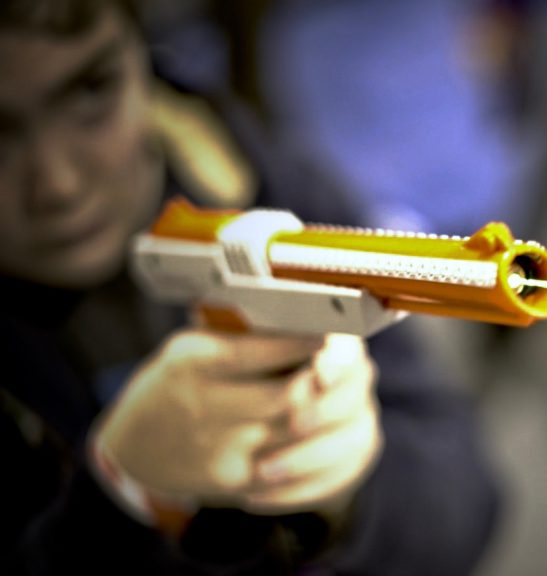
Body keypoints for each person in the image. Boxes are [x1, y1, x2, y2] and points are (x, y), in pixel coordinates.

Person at [0, 0, 500, 573]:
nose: (57, 184)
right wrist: (121, 496)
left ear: (143, 59)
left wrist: (350, 492)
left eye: (90, 90)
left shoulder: (260, 181)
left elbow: (469, 495)